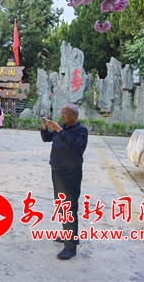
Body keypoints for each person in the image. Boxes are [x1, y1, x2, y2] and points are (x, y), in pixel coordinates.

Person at [40, 103, 88, 260]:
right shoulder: (62, 129)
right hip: (57, 171)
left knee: (69, 208)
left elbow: (73, 145)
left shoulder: (81, 131)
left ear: (75, 115)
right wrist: (45, 128)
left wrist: (58, 129)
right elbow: (46, 138)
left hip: (70, 172)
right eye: (62, 113)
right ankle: (70, 235)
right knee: (62, 207)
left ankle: (70, 247)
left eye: (66, 113)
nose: (62, 116)